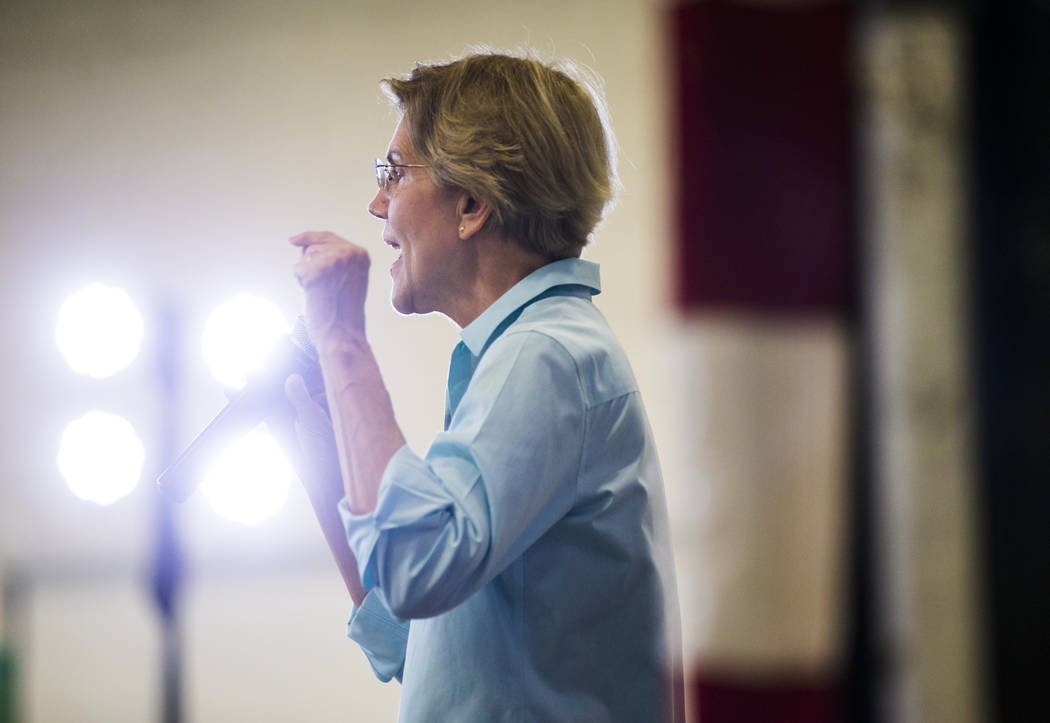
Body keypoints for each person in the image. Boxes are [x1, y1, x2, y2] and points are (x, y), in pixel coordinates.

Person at [283, 51, 682, 722]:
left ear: (470, 204)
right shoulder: (529, 355)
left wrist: (344, 341)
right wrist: (324, 450)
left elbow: (417, 568)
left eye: (394, 173)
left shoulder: (548, 354)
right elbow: (420, 642)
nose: (376, 203)